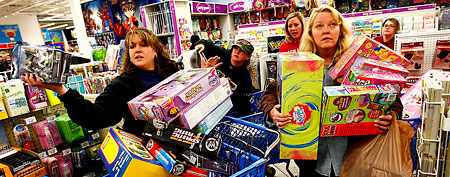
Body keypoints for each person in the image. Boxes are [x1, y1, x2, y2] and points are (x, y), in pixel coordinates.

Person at [261, 6, 403, 177]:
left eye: (332, 25)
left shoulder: (359, 62)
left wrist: (390, 116)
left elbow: (392, 98)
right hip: (311, 160)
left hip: (355, 157)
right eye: (319, 26)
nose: (326, 31)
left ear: (340, 30)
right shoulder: (300, 65)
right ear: (311, 33)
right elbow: (271, 91)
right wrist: (272, 112)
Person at [22, 28, 178, 136]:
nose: (137, 49)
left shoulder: (174, 72)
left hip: (182, 143)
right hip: (147, 152)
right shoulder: (122, 85)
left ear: (156, 50)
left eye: (143, 45)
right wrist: (62, 91)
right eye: (132, 46)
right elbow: (96, 116)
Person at [191, 39, 254, 117]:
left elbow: (244, 105)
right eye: (235, 48)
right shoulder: (221, 54)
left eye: (242, 51)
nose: (237, 52)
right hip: (204, 98)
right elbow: (205, 43)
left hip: (223, 109)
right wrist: (206, 71)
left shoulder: (245, 78)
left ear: (248, 57)